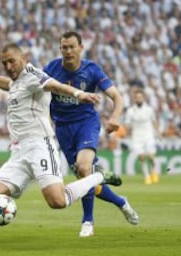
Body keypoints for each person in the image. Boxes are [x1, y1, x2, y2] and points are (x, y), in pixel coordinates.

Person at [0, 43, 122, 246]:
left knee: (57, 201)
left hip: (40, 146)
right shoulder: (17, 81)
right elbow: (7, 84)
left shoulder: (33, 75)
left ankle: (98, 176)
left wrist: (78, 94)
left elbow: (55, 85)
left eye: (12, 61)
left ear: (24, 58)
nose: (9, 67)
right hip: (18, 152)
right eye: (4, 63)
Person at [43, 31, 139, 237]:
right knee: (84, 178)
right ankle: (121, 202)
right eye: (64, 47)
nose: (68, 51)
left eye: (71, 47)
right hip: (62, 129)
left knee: (84, 168)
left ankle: (88, 221)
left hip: (86, 124)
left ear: (80, 48)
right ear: (60, 49)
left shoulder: (92, 70)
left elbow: (116, 96)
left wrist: (115, 117)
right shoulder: (51, 69)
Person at [125, 89, 160, 184]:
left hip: (148, 134)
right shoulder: (130, 111)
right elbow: (127, 123)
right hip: (136, 136)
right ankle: (147, 176)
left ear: (143, 98)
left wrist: (158, 133)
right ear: (134, 99)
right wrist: (127, 129)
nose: (139, 99)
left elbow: (154, 121)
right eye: (137, 97)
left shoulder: (149, 109)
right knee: (142, 157)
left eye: (140, 97)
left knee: (151, 157)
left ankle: (153, 171)